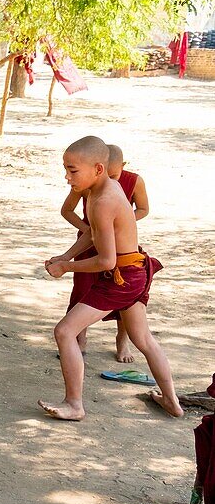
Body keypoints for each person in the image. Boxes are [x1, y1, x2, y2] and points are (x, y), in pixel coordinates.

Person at [41, 136, 182, 420]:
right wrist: (65, 256)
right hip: (136, 271)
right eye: (65, 169)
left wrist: (67, 268)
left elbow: (106, 260)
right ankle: (171, 401)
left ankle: (74, 405)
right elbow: (92, 235)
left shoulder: (103, 200)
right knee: (143, 338)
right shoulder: (104, 188)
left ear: (98, 168)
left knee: (65, 331)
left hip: (122, 277)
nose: (67, 177)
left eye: (73, 170)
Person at [60, 143, 149, 362]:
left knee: (126, 306)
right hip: (89, 243)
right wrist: (90, 232)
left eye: (115, 175)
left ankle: (122, 340)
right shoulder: (86, 183)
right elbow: (69, 212)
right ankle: (79, 340)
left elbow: (143, 209)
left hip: (122, 259)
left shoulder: (119, 187)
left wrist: (119, 223)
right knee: (82, 292)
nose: (111, 180)